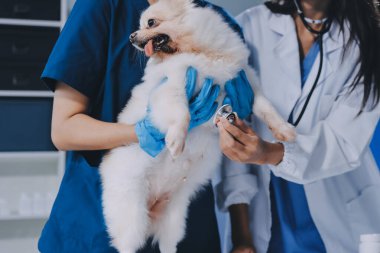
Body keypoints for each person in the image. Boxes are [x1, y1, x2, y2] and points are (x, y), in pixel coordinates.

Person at [37, 0, 254, 252]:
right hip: (98, 227)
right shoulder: (102, 7)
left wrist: (242, 238)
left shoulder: (219, 21)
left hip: (186, 228)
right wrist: (144, 132)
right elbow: (64, 130)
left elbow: (233, 154)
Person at [215, 0, 380, 252]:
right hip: (268, 213)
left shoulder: (368, 38)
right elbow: (233, 140)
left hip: (340, 207)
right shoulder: (249, 26)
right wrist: (242, 236)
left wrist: (266, 153)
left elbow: (344, 142)